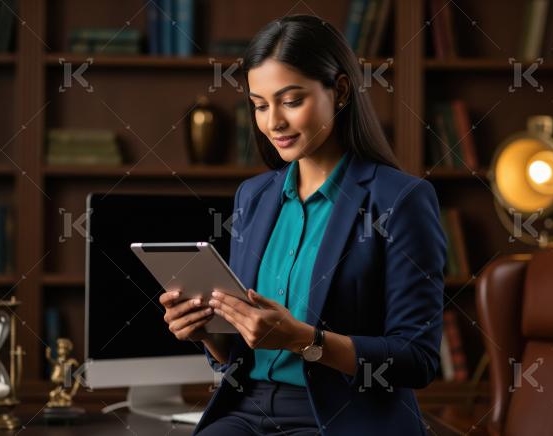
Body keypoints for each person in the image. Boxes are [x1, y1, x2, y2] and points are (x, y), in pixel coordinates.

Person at [159, 15, 446, 436]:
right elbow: (242, 350)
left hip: (340, 415)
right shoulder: (253, 197)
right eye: (259, 105)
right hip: (247, 407)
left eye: (291, 101)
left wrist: (304, 340)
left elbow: (416, 359)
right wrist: (206, 333)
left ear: (341, 91)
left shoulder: (400, 199)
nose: (273, 121)